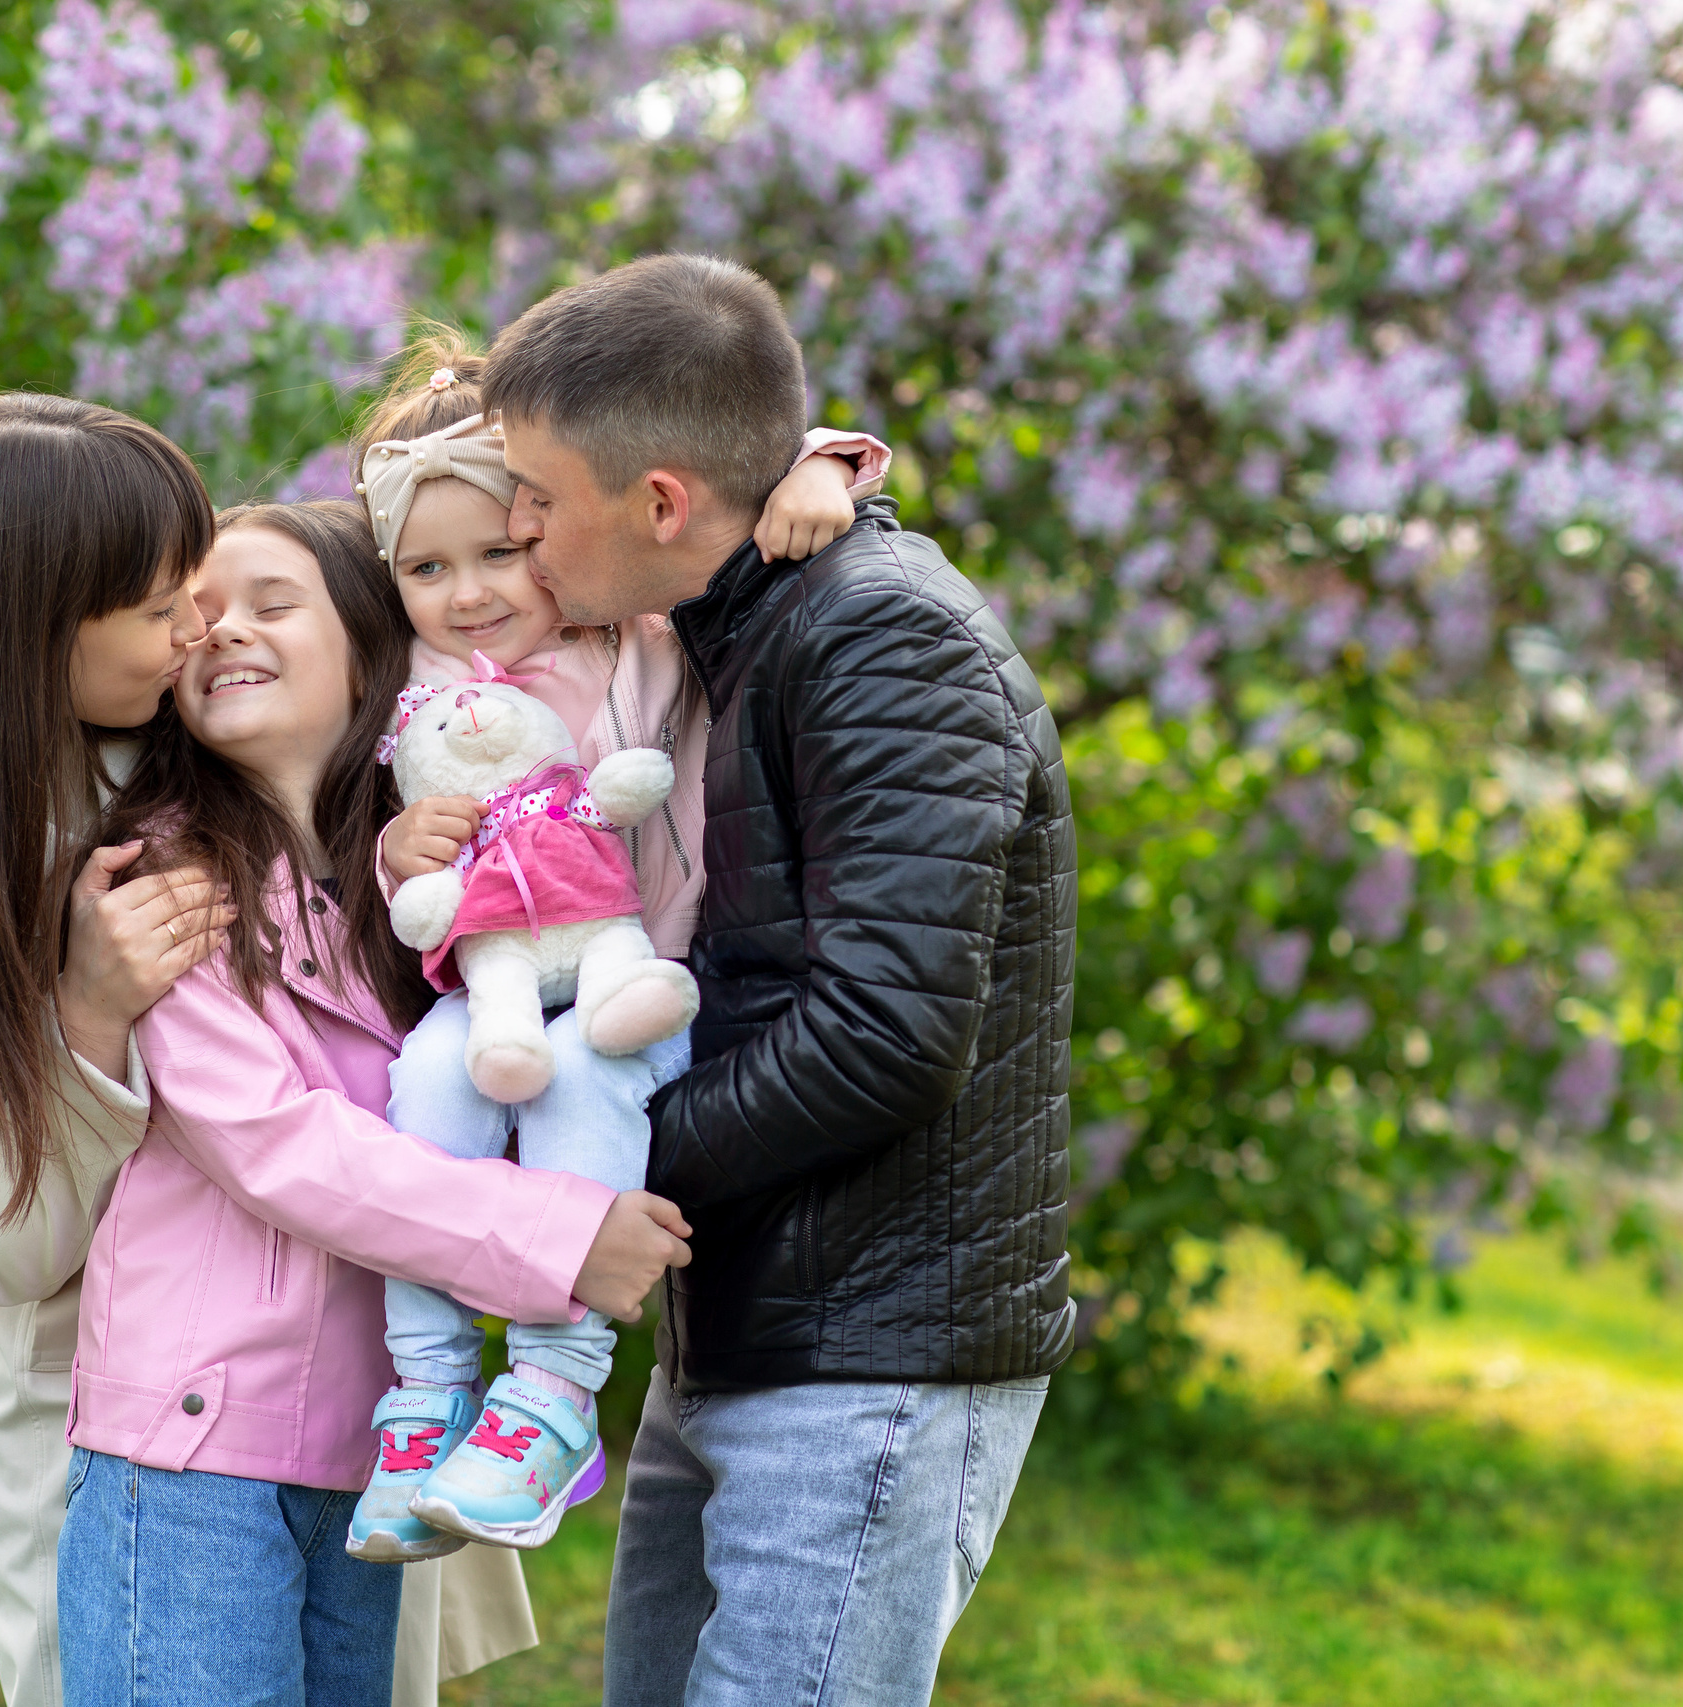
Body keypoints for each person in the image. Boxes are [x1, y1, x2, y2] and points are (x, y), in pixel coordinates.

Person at [0, 396, 540, 1707]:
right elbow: (0, 1248)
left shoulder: (212, 748)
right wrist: (86, 1020)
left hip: (336, 1382)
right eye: (157, 606)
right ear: (35, 630)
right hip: (117, 1415)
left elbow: (485, 619)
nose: (199, 627)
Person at [482, 256, 1078, 1706]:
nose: (514, 528)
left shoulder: (884, 637)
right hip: (757, 1323)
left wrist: (598, 1170)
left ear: (662, 502)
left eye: (537, 497)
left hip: (874, 1354)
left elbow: (884, 1033)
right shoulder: (734, 626)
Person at [57, 500, 696, 1707]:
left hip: (373, 1453)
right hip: (194, 1448)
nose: (219, 629)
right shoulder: (168, 879)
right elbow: (278, 1147)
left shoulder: (431, 888)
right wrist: (560, 1236)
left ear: (369, 647)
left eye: (271, 603)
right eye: (199, 612)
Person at [336, 333, 892, 1563]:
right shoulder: (410, 678)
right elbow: (399, 852)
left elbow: (697, 477)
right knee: (422, 1085)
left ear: (547, 525)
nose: (468, 593)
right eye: (427, 567)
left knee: (587, 1077)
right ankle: (426, 1397)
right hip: (486, 981)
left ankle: (551, 1393)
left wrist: (823, 468)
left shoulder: (629, 632)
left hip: (632, 976)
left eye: (499, 550)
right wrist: (399, 855)